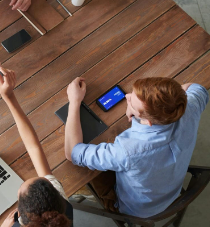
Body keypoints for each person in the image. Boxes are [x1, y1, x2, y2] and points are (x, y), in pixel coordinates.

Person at [65, 77, 209, 218]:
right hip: (172, 191)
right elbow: (197, 88)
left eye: (131, 102)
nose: (126, 96)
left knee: (83, 174)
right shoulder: (189, 109)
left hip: (136, 210)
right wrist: (165, 102)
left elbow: (72, 152)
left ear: (146, 120)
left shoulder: (127, 151)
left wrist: (74, 101)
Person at [0, 67, 72, 227]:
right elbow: (33, 148)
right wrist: (9, 97)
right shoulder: (61, 210)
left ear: (22, 218)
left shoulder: (63, 210)